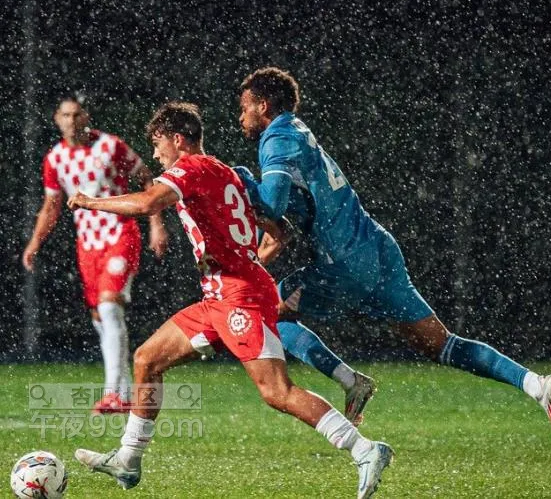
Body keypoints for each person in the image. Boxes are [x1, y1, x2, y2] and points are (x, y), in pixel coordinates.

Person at [236, 66, 551, 446]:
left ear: (263, 105)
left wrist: (240, 180)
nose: (241, 117)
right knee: (441, 344)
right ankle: (537, 385)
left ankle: (350, 381)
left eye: (244, 108)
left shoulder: (277, 138)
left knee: (263, 310)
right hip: (378, 248)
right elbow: (288, 209)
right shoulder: (298, 131)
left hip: (345, 263)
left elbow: (271, 202)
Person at [71, 101, 393, 499]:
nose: (155, 154)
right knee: (146, 360)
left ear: (178, 139)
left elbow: (148, 202)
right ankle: (128, 459)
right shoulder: (225, 171)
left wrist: (90, 202)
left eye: (157, 144)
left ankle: (365, 450)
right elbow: (279, 231)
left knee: (276, 391)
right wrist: (244, 256)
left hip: (237, 296)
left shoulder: (191, 167)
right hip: (220, 295)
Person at [22, 96, 169, 413]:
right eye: (65, 115)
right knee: (101, 317)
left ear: (86, 116)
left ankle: (114, 393)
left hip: (120, 233)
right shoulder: (55, 158)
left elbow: (147, 178)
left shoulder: (110, 146)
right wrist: (34, 243)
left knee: (109, 305)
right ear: (56, 119)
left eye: (77, 114)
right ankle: (123, 392)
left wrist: (156, 224)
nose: (71, 121)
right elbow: (51, 206)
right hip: (88, 245)